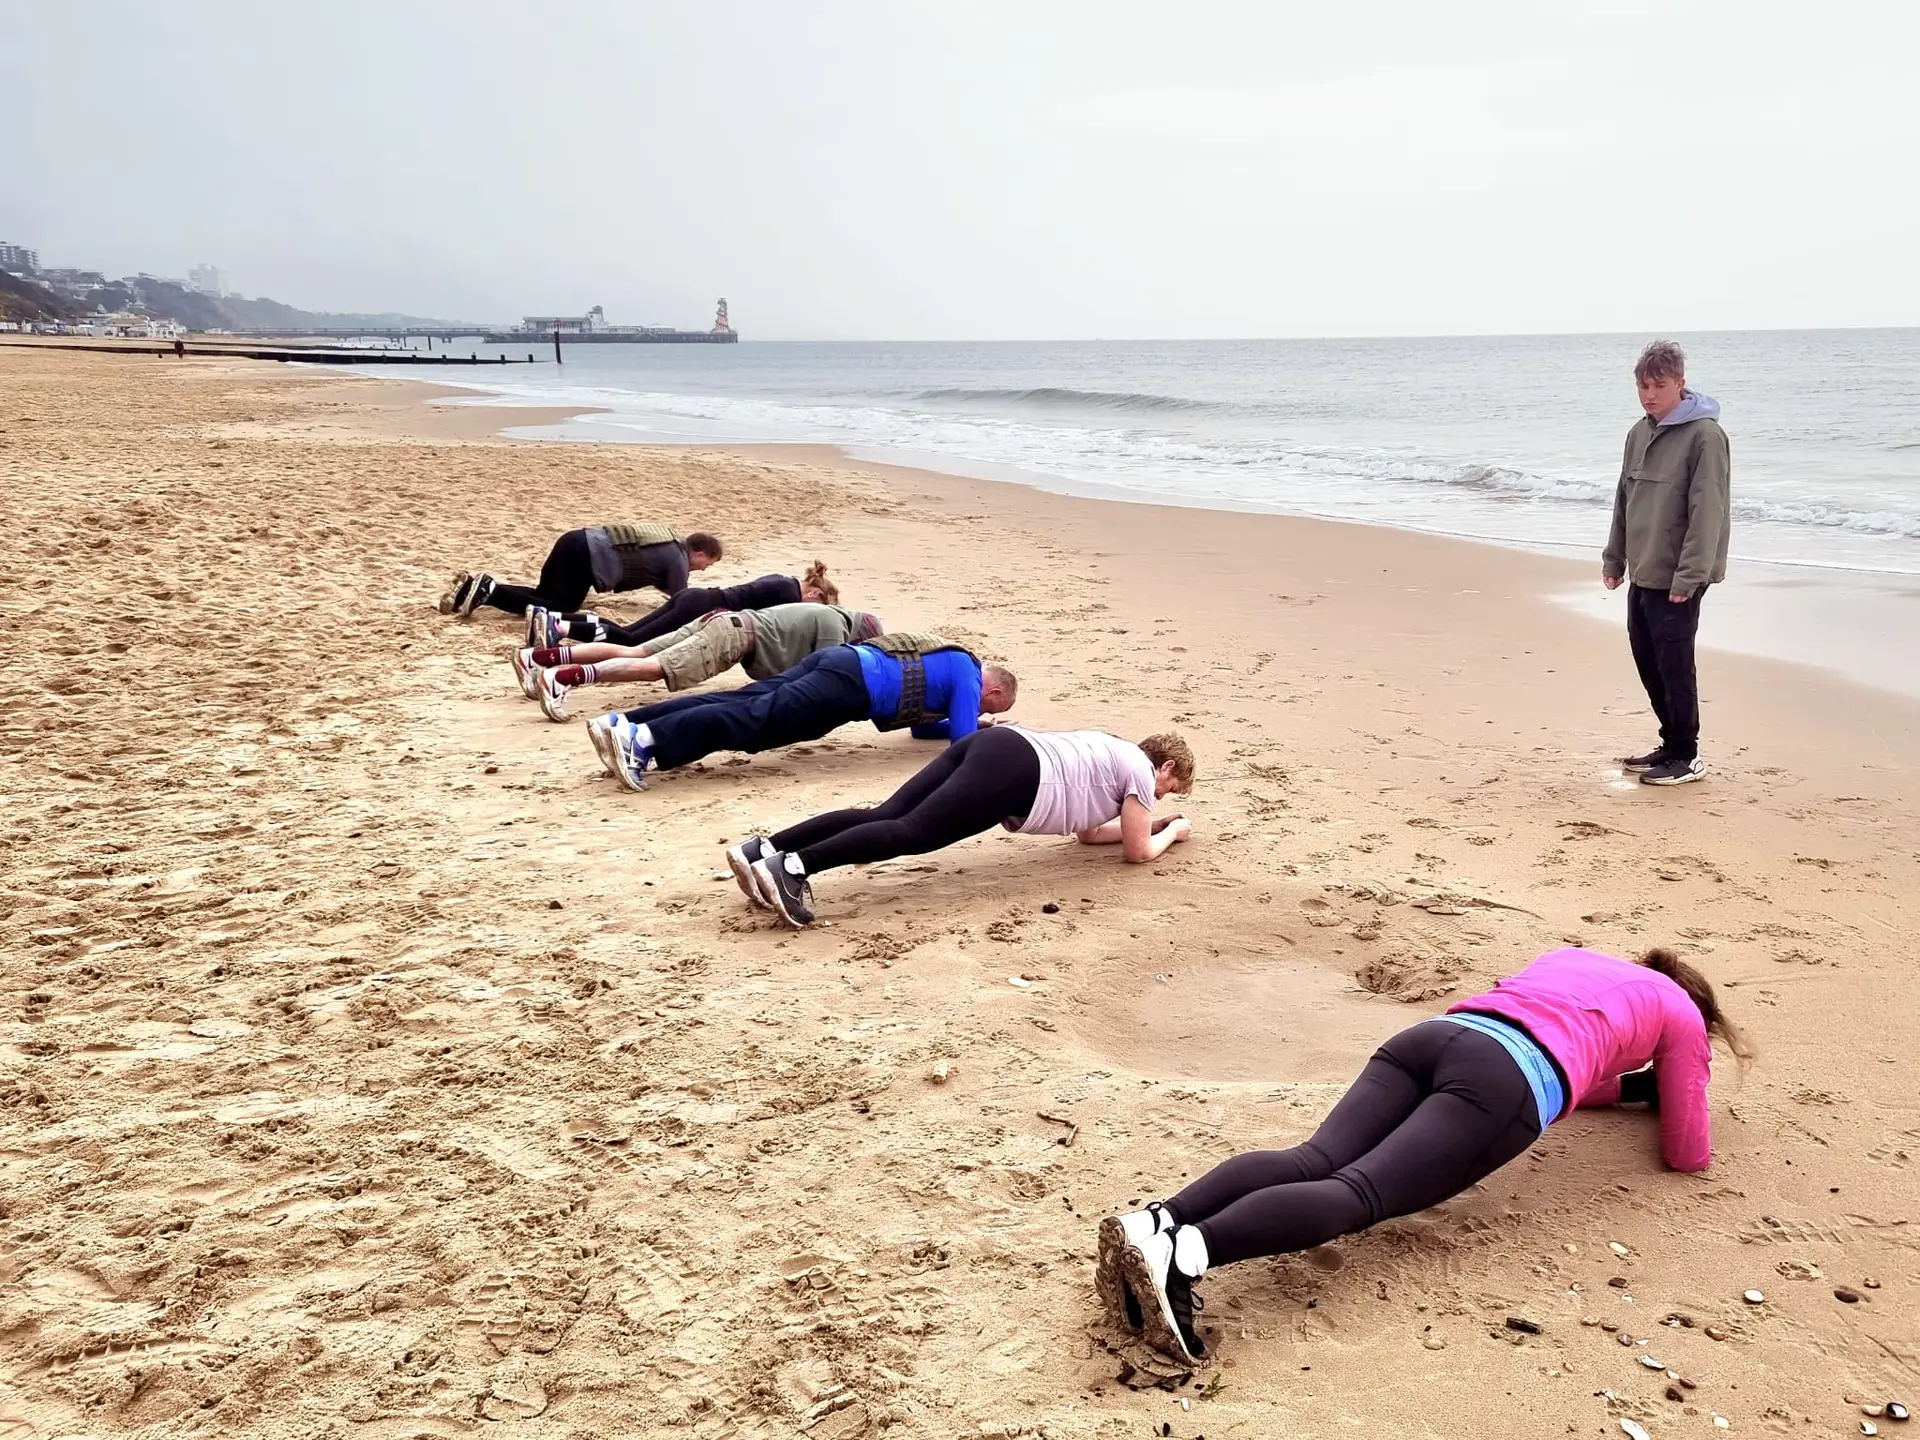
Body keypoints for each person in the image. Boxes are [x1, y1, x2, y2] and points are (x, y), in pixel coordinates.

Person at [1099, 946, 1750, 1363]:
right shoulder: (1682, 1014)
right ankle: (1183, 1256)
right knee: (1359, 1193)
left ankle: (1153, 1222)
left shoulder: (1578, 958)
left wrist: (1627, 1089)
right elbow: (1687, 1150)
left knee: (1313, 1158)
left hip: (1438, 1036)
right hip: (1507, 1082)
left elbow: (1574, 1057)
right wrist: (1666, 1084)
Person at [732, 727, 1197, 927]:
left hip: (999, 743)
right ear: (1165, 766)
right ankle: (792, 868)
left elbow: (1091, 834)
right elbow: (1137, 853)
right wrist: (1170, 834)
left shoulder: (1112, 749)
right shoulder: (1140, 770)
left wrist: (1149, 824)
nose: (1160, 797)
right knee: (914, 833)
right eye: (1169, 789)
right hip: (1018, 775)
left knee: (885, 814)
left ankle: (763, 851)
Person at [585, 633, 1017, 791]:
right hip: (850, 686)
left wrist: (972, 722)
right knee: (757, 721)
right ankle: (644, 742)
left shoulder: (950, 662)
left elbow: (921, 732)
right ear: (993, 688)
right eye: (986, 704)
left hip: (842, 661)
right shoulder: (968, 673)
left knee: (742, 701)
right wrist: (986, 733)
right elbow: (963, 742)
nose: (977, 705)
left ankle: (628, 723)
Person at [1602, 340, 1730, 786]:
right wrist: (1614, 557)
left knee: (1675, 663)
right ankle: (1670, 743)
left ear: (1680, 383)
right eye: (1643, 386)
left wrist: (1689, 575)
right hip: (1644, 567)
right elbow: (1624, 500)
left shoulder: (1705, 437)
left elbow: (1708, 511)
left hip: (1679, 573)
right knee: (1647, 657)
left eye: (1659, 385)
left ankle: (1687, 755)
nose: (1649, 394)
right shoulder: (1639, 434)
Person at [512, 600, 884, 720]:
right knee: (654, 669)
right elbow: (822, 671)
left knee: (636, 650)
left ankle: (538, 658)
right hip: (733, 636)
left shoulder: (823, 612)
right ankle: (562, 679)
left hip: (722, 620)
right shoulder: (835, 625)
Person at [526, 560, 841, 648]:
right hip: (699, 607)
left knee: (627, 632)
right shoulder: (788, 593)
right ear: (815, 595)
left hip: (696, 597)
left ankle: (553, 618)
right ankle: (559, 628)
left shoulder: (781, 579)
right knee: (631, 641)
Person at [439, 524, 723, 620]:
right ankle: (490, 592)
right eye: (707, 563)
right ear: (698, 552)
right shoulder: (678, 559)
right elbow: (682, 598)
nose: (702, 569)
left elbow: (662, 581)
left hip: (575, 539)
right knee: (561, 607)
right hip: (586, 557)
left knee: (543, 595)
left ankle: (471, 587)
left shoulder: (667, 541)